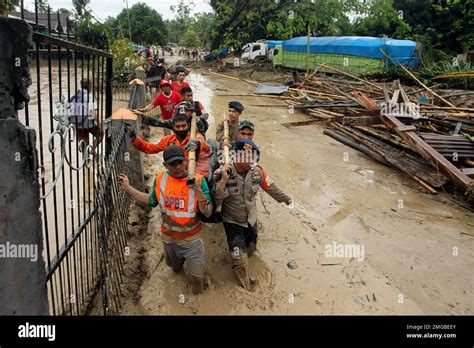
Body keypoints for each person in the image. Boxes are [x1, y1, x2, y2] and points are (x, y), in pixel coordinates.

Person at [118, 145, 213, 294]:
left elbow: (207, 213)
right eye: (172, 164)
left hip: (191, 242)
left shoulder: (199, 181)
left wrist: (197, 190)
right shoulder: (161, 178)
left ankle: (197, 300)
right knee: (175, 269)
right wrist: (127, 187)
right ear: (165, 165)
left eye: (180, 162)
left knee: (197, 280)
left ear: (186, 161)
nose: (177, 167)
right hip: (169, 241)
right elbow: (150, 201)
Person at [212, 139, 292, 291]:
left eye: (253, 156)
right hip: (232, 222)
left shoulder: (257, 172)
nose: (251, 160)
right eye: (247, 156)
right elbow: (215, 198)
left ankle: (244, 254)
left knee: (251, 249)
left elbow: (271, 187)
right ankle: (244, 286)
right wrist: (223, 180)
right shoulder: (222, 173)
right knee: (239, 259)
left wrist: (287, 200)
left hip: (251, 220)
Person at [126, 113, 211, 177]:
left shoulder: (195, 137)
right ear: (173, 127)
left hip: (193, 174)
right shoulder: (168, 140)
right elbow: (150, 148)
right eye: (178, 126)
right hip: (176, 175)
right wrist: (135, 138)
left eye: (183, 126)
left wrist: (197, 143)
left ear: (188, 126)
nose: (181, 129)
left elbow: (204, 145)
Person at [68, 78, 103, 151]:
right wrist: (99, 123)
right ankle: (92, 150)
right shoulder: (89, 96)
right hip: (88, 123)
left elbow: (68, 107)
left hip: (77, 123)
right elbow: (92, 111)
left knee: (84, 143)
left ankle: (85, 160)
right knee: (100, 134)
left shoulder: (75, 94)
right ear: (89, 86)